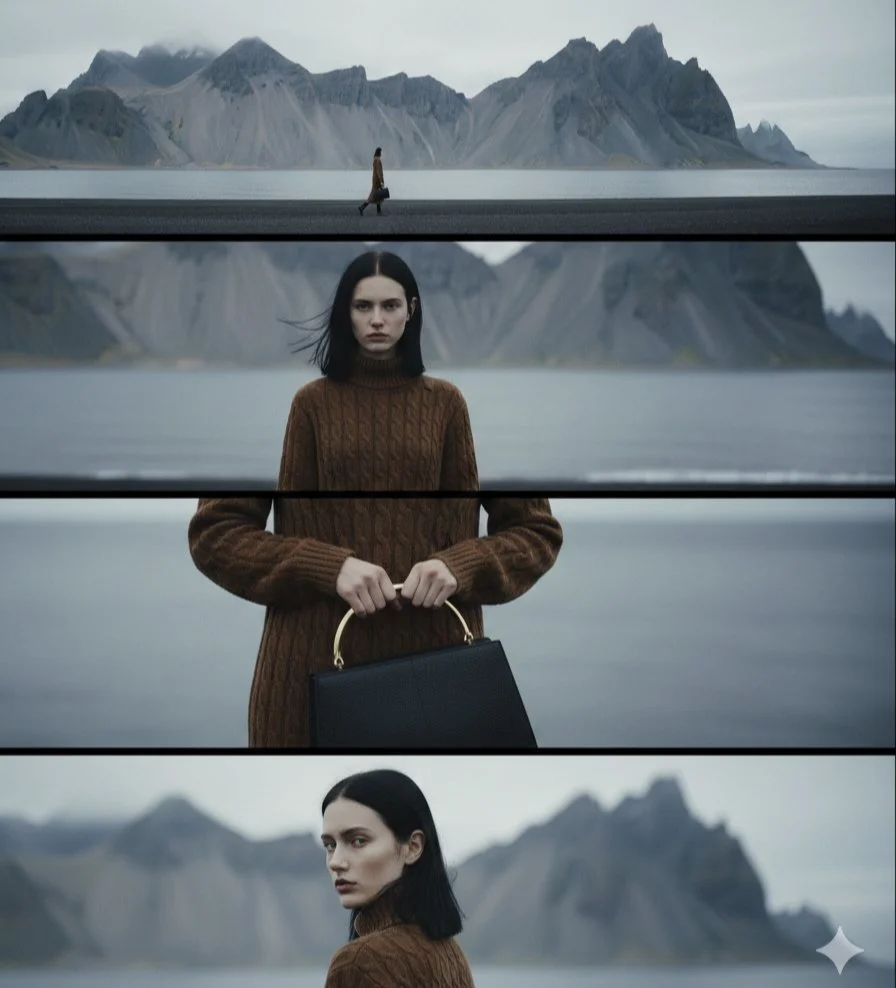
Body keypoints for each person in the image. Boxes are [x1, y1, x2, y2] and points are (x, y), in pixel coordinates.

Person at [188, 249, 563, 747]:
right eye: (363, 306)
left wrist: (460, 565)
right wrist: (329, 567)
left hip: (439, 684)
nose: (377, 320)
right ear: (346, 313)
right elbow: (215, 534)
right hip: (308, 676)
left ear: (412, 310)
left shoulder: (450, 406)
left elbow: (536, 531)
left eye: (390, 306)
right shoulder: (305, 405)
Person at [320, 769, 475, 988]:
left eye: (358, 841)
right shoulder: (450, 953)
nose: (335, 862)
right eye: (330, 845)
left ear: (413, 847)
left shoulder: (357, 963)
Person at [359, 146, 385, 215]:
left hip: (375, 180)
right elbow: (378, 171)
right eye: (381, 152)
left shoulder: (375, 159)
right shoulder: (377, 160)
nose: (381, 153)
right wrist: (381, 181)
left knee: (378, 196)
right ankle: (362, 207)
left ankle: (378, 211)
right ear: (379, 153)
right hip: (377, 181)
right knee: (373, 196)